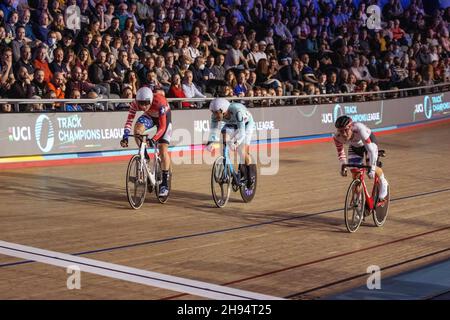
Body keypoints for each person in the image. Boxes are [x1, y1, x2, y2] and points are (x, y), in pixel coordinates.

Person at [120, 87, 172, 197]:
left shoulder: (160, 102)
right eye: (141, 104)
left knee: (162, 148)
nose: (143, 107)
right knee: (137, 130)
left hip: (164, 118)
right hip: (150, 116)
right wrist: (125, 136)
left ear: (151, 100)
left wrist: (153, 139)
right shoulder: (135, 104)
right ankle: (144, 155)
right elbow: (129, 120)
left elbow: (162, 127)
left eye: (146, 103)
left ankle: (164, 184)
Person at [333, 115, 389, 200]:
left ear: (351, 127)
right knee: (355, 174)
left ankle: (383, 181)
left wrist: (372, 169)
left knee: (369, 167)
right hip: (355, 147)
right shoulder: (337, 137)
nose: (343, 134)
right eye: (341, 131)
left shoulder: (360, 129)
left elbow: (371, 151)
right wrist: (343, 166)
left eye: (346, 130)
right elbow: (341, 153)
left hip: (369, 144)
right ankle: (358, 201)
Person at [205, 98, 256, 189]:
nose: (214, 115)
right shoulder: (215, 115)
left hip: (246, 124)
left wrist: (235, 143)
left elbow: (242, 132)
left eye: (216, 113)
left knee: (242, 151)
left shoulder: (237, 111)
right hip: (232, 123)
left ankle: (250, 177)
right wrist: (210, 142)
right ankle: (227, 165)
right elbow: (213, 130)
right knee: (223, 134)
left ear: (223, 110)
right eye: (213, 112)